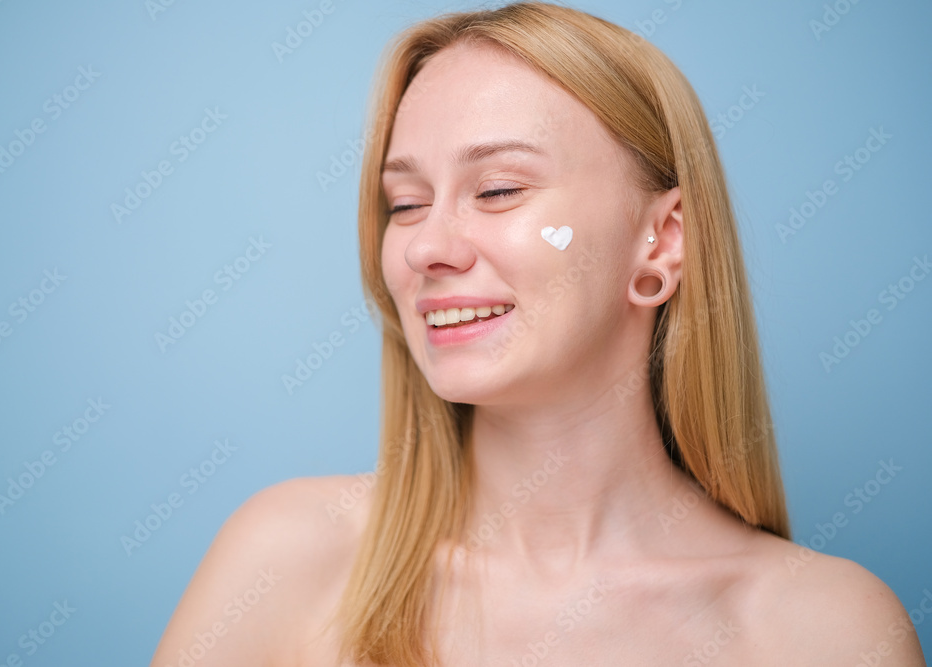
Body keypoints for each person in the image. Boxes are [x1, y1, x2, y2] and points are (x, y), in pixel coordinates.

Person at [150, 3, 927, 665]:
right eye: (407, 203)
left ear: (661, 242)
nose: (427, 247)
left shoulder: (821, 630)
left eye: (497, 189)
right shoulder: (286, 557)